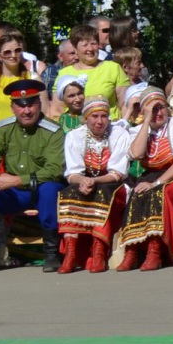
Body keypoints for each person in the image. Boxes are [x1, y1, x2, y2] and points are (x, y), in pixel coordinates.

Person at [116, 87, 173, 271]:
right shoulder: (139, 130)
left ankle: (156, 250)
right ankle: (132, 250)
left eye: (161, 107)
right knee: (136, 192)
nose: (158, 113)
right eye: (152, 109)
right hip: (152, 176)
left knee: (158, 192)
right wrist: (146, 121)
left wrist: (156, 183)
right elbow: (136, 154)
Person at [0, 80, 65, 272]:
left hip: (40, 189)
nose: (27, 111)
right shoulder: (4, 129)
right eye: (20, 106)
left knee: (50, 188)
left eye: (31, 104)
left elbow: (54, 170)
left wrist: (18, 180)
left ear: (39, 104)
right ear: (12, 107)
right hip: (15, 194)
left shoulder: (53, 132)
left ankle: (51, 253)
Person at [56, 97, 130, 274]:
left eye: (104, 116)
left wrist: (92, 181)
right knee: (68, 193)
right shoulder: (74, 136)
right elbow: (73, 173)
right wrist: (82, 181)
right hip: (84, 183)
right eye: (94, 116)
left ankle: (98, 251)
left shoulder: (119, 134)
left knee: (102, 194)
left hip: (113, 185)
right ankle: (70, 253)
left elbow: (117, 173)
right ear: (86, 118)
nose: (99, 121)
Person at [56, 24, 128, 111]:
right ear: (75, 48)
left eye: (93, 43)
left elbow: (124, 104)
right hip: (75, 123)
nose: (90, 48)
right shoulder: (64, 73)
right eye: (85, 45)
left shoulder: (113, 68)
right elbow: (57, 109)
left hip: (109, 122)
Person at [0, 31, 36, 127]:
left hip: (25, 136)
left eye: (17, 50)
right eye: (7, 52)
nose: (13, 55)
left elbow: (44, 111)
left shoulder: (33, 78)